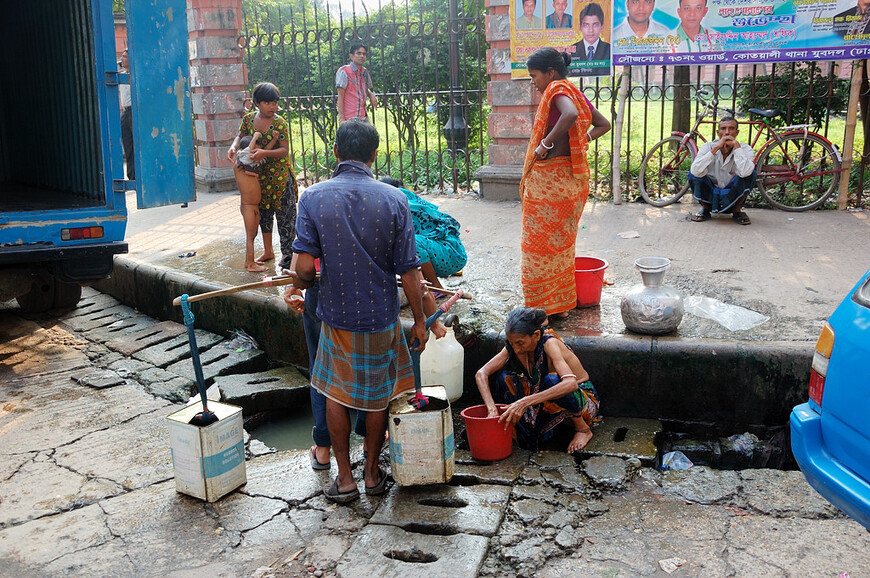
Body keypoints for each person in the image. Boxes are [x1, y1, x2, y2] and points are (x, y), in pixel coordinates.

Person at [288, 119, 429, 503]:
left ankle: (345, 480)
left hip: (336, 316)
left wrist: (302, 283)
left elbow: (303, 269)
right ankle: (371, 475)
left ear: (335, 152)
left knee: (335, 395)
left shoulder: (313, 198)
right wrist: (419, 321)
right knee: (378, 395)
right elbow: (411, 273)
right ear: (373, 154)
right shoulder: (395, 199)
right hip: (381, 316)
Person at [519, 48, 611, 320]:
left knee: (536, 247)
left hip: (549, 187)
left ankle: (540, 308)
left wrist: (546, 142)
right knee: (560, 248)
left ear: (550, 72)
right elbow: (603, 124)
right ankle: (559, 305)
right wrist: (581, 141)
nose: (533, 82)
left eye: (534, 76)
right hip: (570, 185)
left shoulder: (558, 89)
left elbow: (569, 114)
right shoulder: (575, 91)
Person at [475, 307, 600, 453]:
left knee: (552, 380)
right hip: (541, 396)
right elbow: (481, 373)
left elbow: (570, 384)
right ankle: (516, 432)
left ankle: (582, 430)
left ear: (535, 335)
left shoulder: (549, 343)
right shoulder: (514, 345)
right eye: (512, 343)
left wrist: (525, 402)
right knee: (505, 379)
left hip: (580, 399)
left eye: (520, 343)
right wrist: (491, 409)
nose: (516, 349)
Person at [227, 82, 297, 272]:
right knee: (264, 216)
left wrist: (265, 154)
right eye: (268, 103)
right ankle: (268, 251)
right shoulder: (249, 120)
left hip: (279, 178)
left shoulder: (280, 123)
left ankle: (287, 255)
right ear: (257, 103)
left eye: (275, 102)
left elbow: (284, 150)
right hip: (260, 178)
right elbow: (239, 135)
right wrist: (234, 147)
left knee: (286, 217)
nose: (273, 107)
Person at [379, 177, 467, 291]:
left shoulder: (400, 202)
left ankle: (435, 285)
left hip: (451, 256)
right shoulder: (404, 199)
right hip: (446, 254)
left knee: (410, 242)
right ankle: (426, 281)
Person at [688, 117, 756, 225]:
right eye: (723, 129)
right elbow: (695, 170)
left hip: (732, 193)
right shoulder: (708, 147)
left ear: (737, 132)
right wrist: (716, 148)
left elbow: (745, 172)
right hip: (710, 191)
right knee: (694, 171)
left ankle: (737, 211)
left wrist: (737, 148)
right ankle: (705, 209)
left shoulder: (745, 149)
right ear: (718, 132)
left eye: (731, 129)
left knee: (751, 173)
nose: (727, 132)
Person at [336, 44, 378, 124]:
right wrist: (341, 118)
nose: (362, 56)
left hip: (363, 117)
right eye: (358, 53)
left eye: (364, 54)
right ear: (351, 56)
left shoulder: (364, 72)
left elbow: (364, 89)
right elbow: (340, 95)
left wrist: (371, 95)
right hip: (349, 119)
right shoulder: (344, 71)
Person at [571, 3, 611, 75]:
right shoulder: (572, 50)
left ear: (602, 26)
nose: (590, 30)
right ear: (580, 27)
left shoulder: (609, 49)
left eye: (595, 25)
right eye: (586, 25)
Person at [118, 50, 135, 181]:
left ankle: (138, 175)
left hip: (134, 111)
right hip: (125, 112)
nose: (122, 59)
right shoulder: (121, 75)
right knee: (127, 145)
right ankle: (131, 176)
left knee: (136, 145)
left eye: (124, 57)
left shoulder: (135, 75)